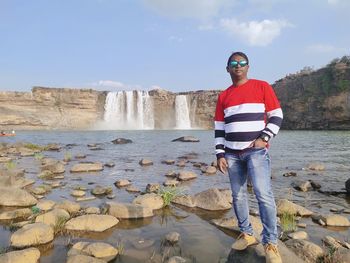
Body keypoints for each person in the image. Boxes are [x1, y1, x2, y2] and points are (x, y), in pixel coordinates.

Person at [214, 51, 283, 263]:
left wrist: (264, 138)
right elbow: (219, 128)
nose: (238, 65)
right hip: (232, 154)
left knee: (263, 194)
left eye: (242, 62)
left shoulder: (262, 86)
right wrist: (220, 154)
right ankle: (247, 234)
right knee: (238, 196)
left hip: (255, 151)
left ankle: (271, 242)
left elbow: (277, 115)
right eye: (233, 63)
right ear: (227, 69)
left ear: (248, 67)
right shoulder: (223, 96)